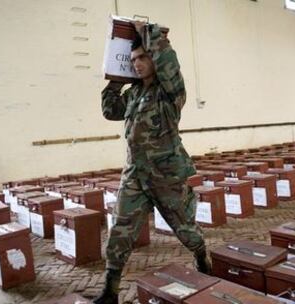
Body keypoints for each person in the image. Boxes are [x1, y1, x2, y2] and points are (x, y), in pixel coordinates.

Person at [94, 21, 211, 304]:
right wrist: (116, 77)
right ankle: (110, 291)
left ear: (154, 57)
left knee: (186, 230)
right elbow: (110, 110)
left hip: (166, 175)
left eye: (143, 57)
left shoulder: (170, 93)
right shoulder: (134, 94)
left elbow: (169, 63)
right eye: (133, 59)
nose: (137, 63)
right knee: (119, 231)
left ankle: (202, 257)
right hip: (135, 175)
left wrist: (150, 33)